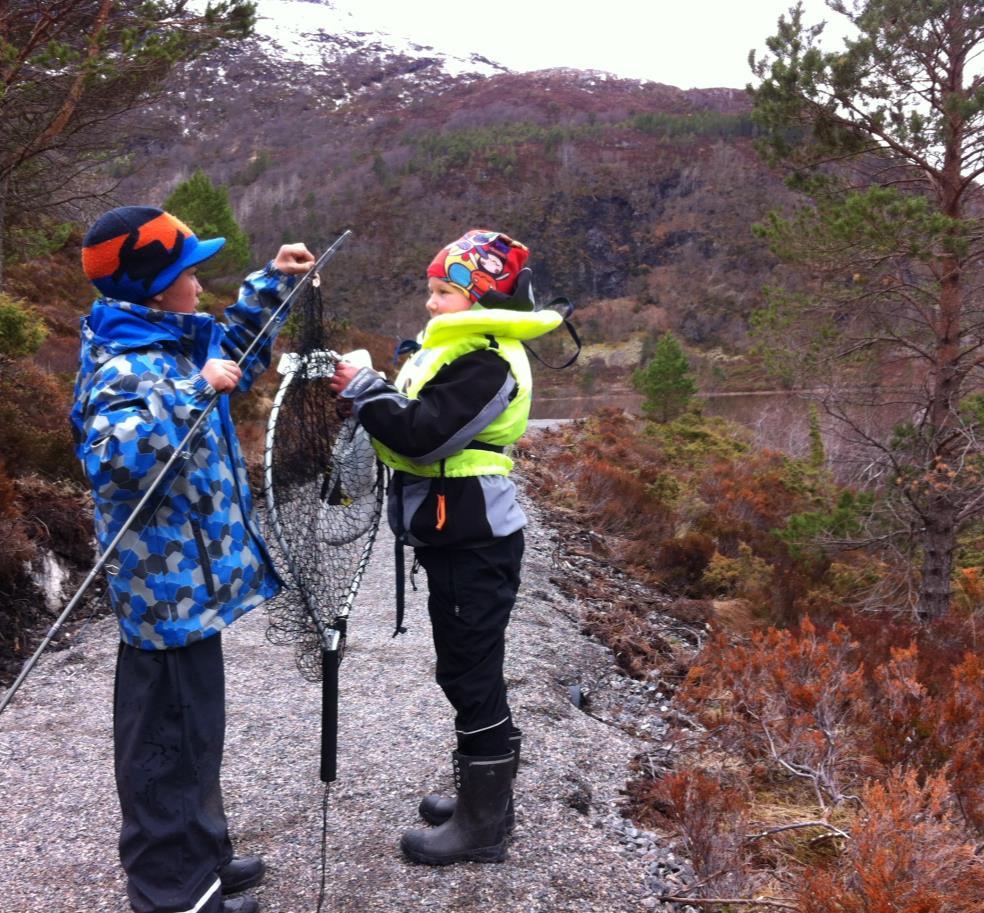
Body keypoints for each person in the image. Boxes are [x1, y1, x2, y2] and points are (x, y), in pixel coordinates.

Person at [71, 205, 315, 913]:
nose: (200, 283)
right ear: (154, 289)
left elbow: (238, 343)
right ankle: (173, 894)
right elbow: (114, 459)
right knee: (166, 752)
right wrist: (195, 389)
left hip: (191, 595)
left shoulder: (169, 338)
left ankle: (202, 855)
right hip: (162, 603)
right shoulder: (126, 362)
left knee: (195, 736)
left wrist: (273, 281)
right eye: (188, 273)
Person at [328, 229, 566, 865]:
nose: (431, 303)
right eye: (431, 290)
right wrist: (374, 390)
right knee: (469, 667)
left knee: (469, 671)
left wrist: (365, 391)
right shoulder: (464, 351)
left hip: (474, 540)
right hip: (459, 533)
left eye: (445, 291)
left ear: (482, 296)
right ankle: (483, 796)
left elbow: (422, 436)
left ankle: (484, 826)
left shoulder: (485, 360)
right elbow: (418, 420)